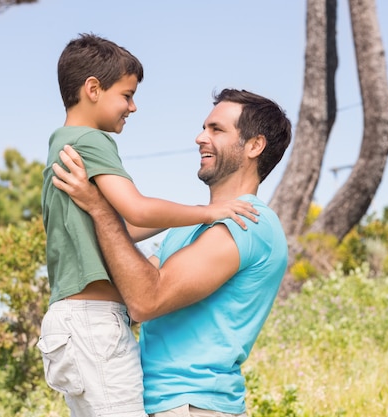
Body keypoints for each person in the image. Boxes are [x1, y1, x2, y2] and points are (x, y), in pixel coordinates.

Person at [37, 34, 259, 417]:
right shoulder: (91, 141)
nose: (133, 107)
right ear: (93, 89)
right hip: (94, 323)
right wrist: (206, 212)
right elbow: (137, 211)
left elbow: (119, 226)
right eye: (126, 95)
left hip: (71, 323)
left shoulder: (62, 145)